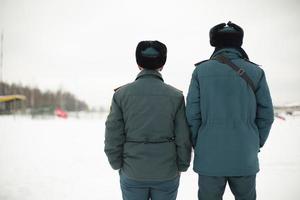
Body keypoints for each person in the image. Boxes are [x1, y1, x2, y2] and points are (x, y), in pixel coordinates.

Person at [186, 22, 274, 200]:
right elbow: (266, 115)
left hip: (209, 156)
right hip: (244, 155)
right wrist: (255, 142)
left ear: (214, 42)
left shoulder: (200, 72)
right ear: (239, 42)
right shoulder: (255, 72)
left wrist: (200, 142)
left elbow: (192, 116)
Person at [104, 40, 192, 200]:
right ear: (162, 64)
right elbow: (183, 137)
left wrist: (116, 163)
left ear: (138, 64)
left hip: (132, 171)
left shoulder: (121, 95)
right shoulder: (176, 96)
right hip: (167, 172)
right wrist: (182, 165)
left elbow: (113, 133)